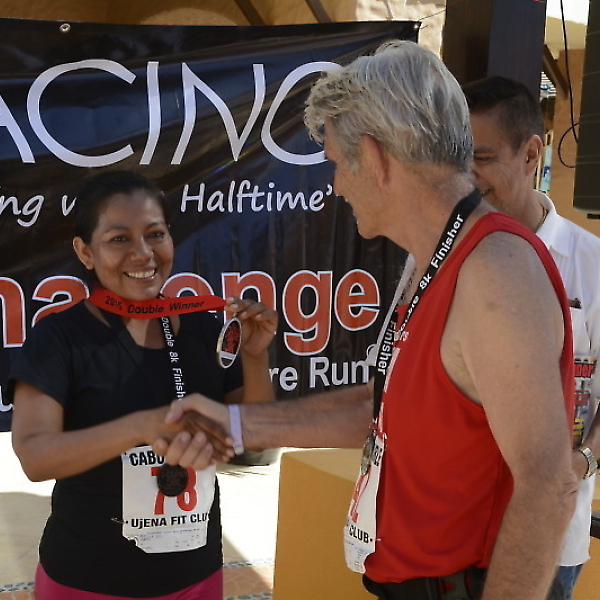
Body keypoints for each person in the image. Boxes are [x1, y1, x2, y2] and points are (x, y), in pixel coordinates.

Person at [154, 41, 579, 600]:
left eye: (336, 162)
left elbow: (548, 485)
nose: (335, 185)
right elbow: (388, 406)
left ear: (375, 158)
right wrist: (233, 424)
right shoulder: (436, 257)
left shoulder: (494, 269)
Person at [9, 170, 277, 600]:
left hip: (195, 578)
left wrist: (256, 356)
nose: (143, 253)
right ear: (85, 252)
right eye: (119, 239)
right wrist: (141, 427)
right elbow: (35, 458)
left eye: (155, 234)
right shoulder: (57, 338)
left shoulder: (204, 328)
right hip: (87, 582)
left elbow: (256, 444)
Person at [462, 75, 600, 600]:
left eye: (482, 157)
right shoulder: (435, 257)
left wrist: (580, 464)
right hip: (452, 531)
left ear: (531, 154)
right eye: (458, 159)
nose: (467, 176)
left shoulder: (592, 265)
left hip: (547, 543)